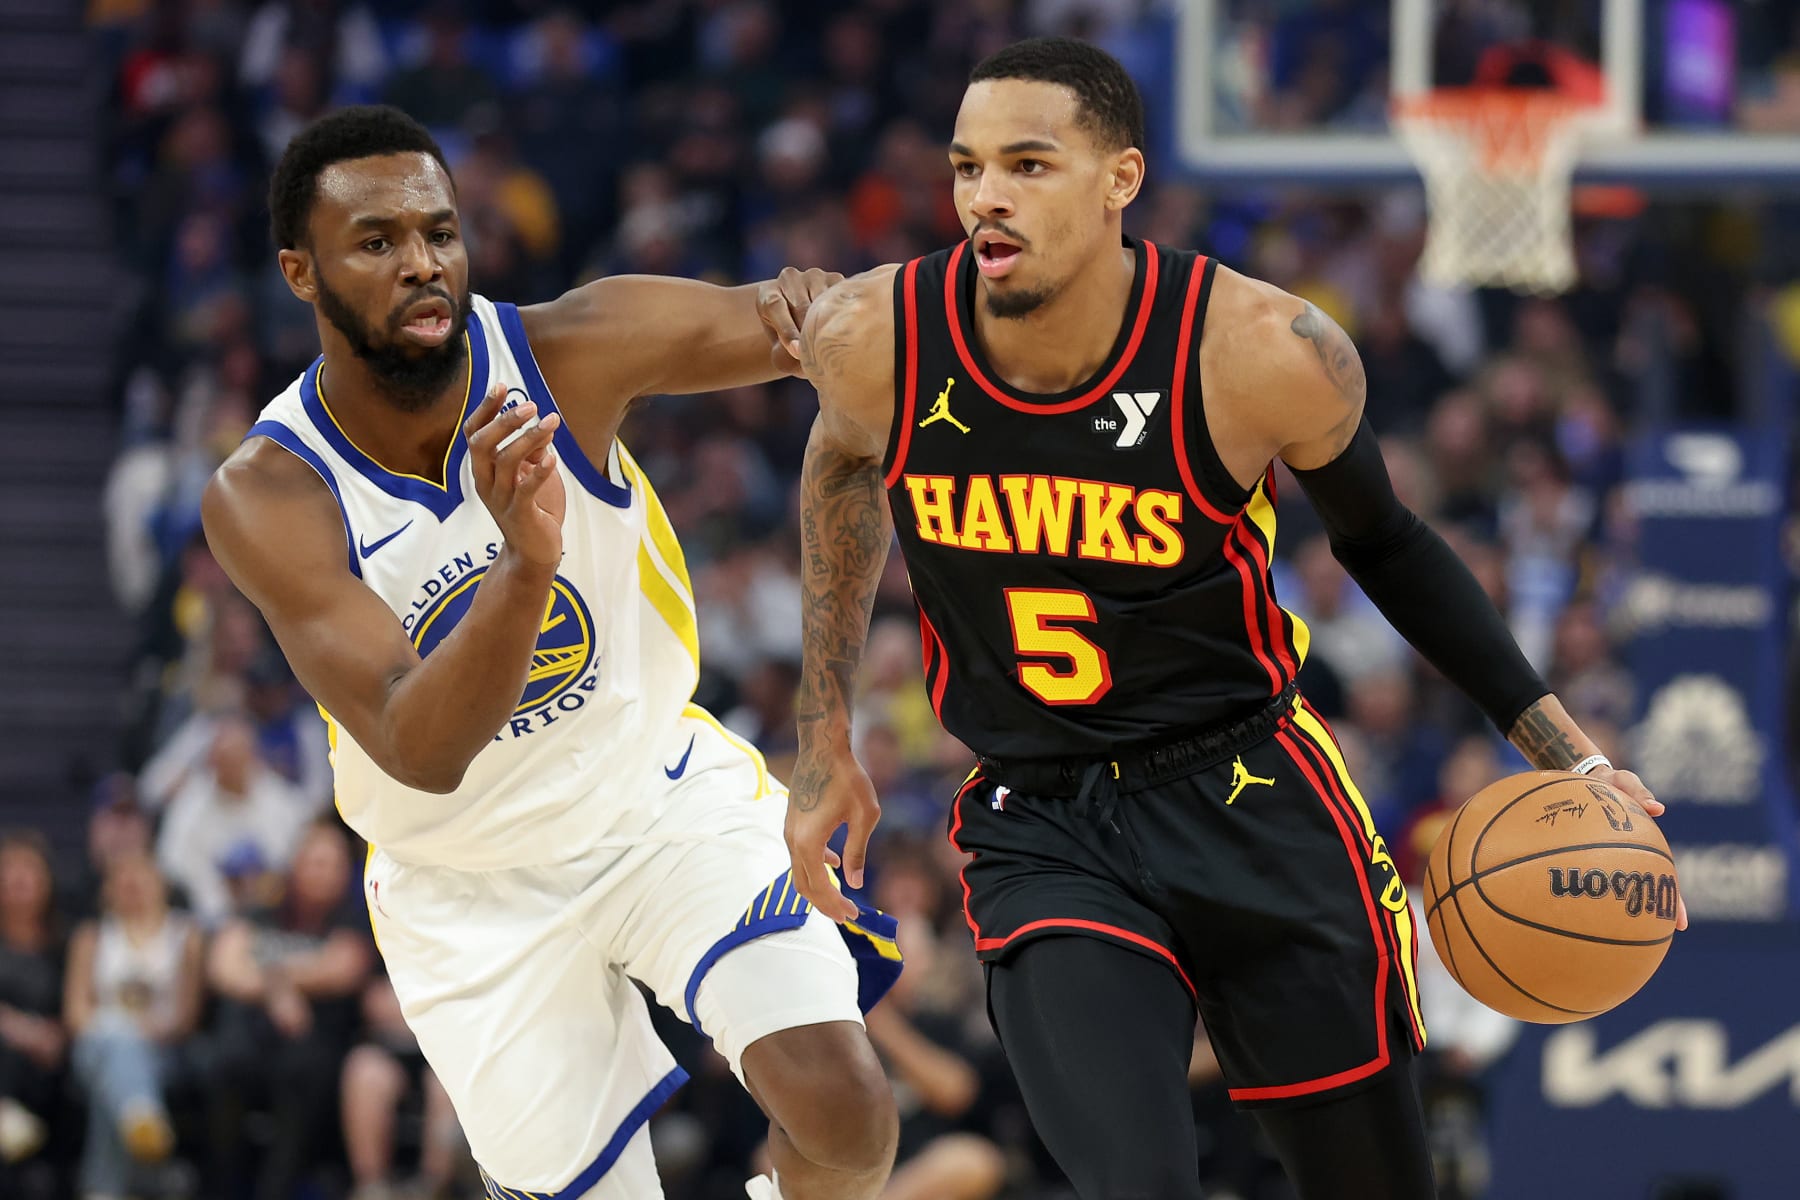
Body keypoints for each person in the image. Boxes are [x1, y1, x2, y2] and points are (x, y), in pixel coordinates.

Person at [785, 37, 1685, 1200]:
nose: (985, 196)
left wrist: (1566, 749)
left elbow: (1386, 542)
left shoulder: (1261, 350)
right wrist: (823, 736)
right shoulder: (878, 337)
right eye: (967, 167)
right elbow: (840, 472)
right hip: (1044, 816)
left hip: (1251, 790)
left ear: (1120, 178)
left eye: (1027, 164)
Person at [201, 106, 898, 1200]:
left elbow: (824, 323)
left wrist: (833, 313)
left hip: (652, 797)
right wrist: (526, 566)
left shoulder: (567, 351)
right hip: (469, 883)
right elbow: (419, 746)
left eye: (439, 232)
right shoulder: (271, 494)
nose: (422, 263)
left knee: (846, 1117)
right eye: (377, 242)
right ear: (301, 271)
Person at [63, 851, 204, 1199]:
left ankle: (103, 1188)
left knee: (113, 1079)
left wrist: (141, 1034)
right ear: (107, 889)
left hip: (162, 1050)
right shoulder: (92, 936)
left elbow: (186, 1017)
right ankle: (143, 1118)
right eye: (122, 878)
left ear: (161, 884)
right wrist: (120, 1031)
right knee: (115, 1045)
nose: (132, 885)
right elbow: (76, 1014)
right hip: (96, 1043)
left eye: (141, 876)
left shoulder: (185, 935)